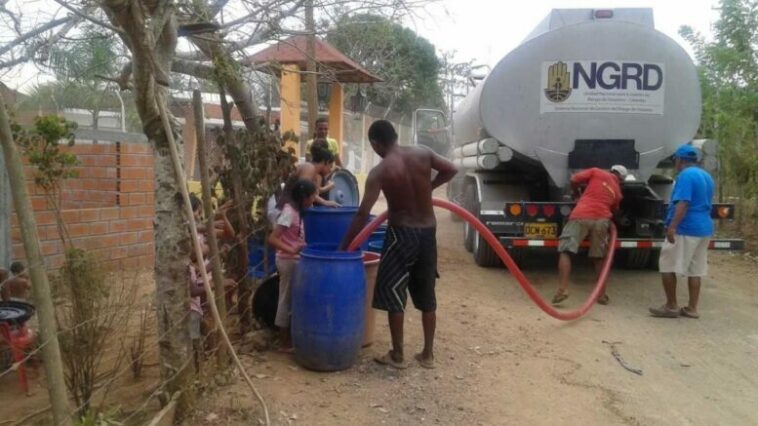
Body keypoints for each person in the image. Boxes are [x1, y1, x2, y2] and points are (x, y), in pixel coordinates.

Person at [339, 120, 458, 369]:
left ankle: (398, 355)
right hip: (427, 231)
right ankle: (427, 355)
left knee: (394, 292)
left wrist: (344, 247)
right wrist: (428, 187)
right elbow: (451, 169)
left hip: (401, 233)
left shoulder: (380, 172)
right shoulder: (423, 153)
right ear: (395, 135)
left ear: (375, 143)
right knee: (427, 294)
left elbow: (363, 215)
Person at [649, 144, 714, 319]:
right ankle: (692, 308)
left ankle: (671, 306)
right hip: (704, 228)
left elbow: (683, 203)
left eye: (676, 160)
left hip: (686, 228)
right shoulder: (706, 176)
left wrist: (672, 227)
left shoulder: (685, 176)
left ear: (680, 160)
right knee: (696, 270)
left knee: (667, 265)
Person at [552, 165, 628, 306]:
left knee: (566, 251)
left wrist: (576, 194)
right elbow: (615, 210)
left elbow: (574, 179)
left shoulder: (597, 172)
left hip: (581, 214)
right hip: (602, 220)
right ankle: (602, 295)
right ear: (621, 180)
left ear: (611, 170)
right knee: (598, 257)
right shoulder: (618, 192)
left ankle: (562, 290)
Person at [268, 179, 317, 352]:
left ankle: (290, 337)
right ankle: (283, 343)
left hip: (294, 260)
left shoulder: (298, 210)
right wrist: (292, 249)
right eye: (312, 196)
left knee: (291, 299)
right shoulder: (289, 212)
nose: (314, 199)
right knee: (285, 299)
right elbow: (272, 238)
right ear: (304, 197)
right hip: (287, 261)